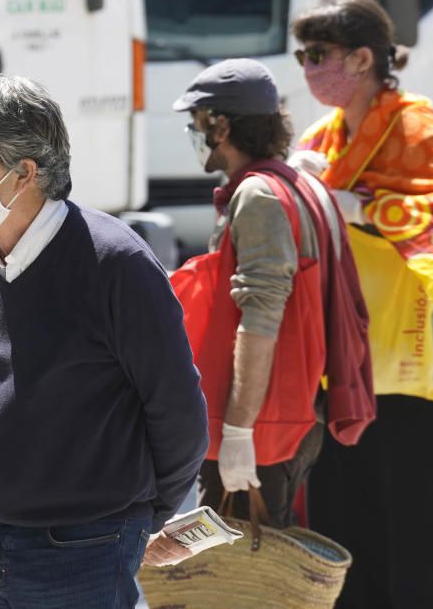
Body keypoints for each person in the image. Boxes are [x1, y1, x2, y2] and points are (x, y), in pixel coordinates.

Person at [0, 73, 208, 608]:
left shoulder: (115, 261)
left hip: (83, 547)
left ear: (24, 172)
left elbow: (176, 408)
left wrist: (147, 520)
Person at [293, 0, 433, 608]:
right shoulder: (320, 138)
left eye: (316, 54)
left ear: (360, 59)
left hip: (419, 352)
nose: (305, 67)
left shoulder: (414, 125)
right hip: (348, 352)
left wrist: (365, 207)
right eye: (303, 54)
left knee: (426, 513)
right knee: (349, 505)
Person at [143, 59, 374, 569]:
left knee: (233, 573)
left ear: (222, 126)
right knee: (248, 564)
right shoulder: (294, 183)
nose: (195, 135)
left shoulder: (258, 194)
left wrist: (239, 433)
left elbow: (261, 316)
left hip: (265, 423)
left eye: (199, 123)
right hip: (291, 413)